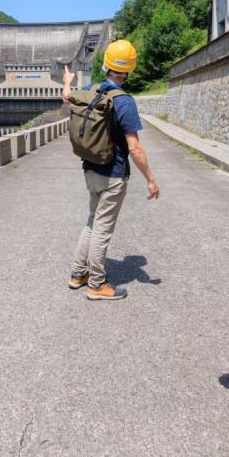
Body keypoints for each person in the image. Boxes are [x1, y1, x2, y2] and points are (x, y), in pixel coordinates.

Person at [62, 40, 159, 301]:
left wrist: (68, 80)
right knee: (102, 229)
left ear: (106, 65)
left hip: (90, 170)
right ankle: (96, 284)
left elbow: (66, 98)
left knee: (92, 221)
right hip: (112, 175)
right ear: (129, 70)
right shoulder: (124, 101)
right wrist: (151, 180)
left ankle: (77, 273)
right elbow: (135, 149)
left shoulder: (91, 91)